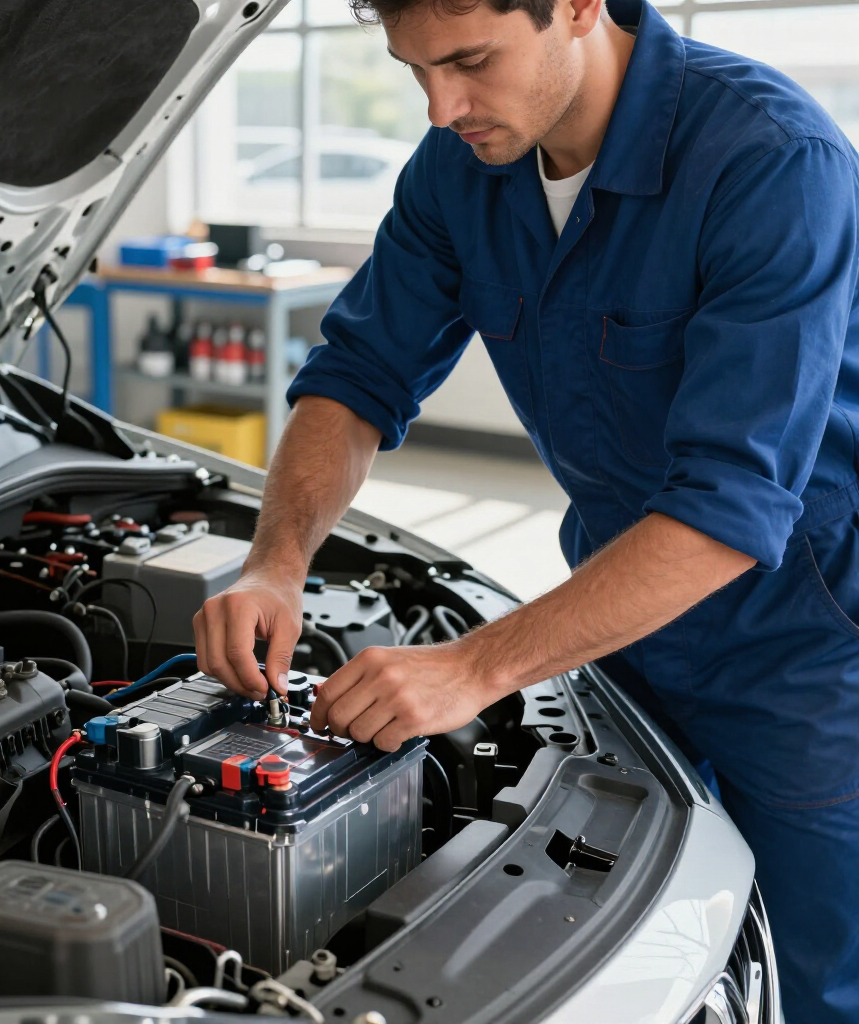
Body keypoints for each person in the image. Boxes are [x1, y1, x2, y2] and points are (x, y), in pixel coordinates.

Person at [193, 0, 859, 1017]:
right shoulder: (460, 167)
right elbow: (357, 374)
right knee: (657, 946)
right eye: (413, 68)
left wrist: (474, 666)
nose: (439, 105)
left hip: (805, 649)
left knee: (816, 971)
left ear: (581, 6)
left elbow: (732, 501)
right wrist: (276, 561)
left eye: (467, 61)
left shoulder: (768, 158)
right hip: (615, 613)